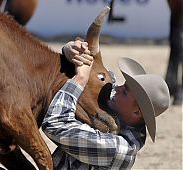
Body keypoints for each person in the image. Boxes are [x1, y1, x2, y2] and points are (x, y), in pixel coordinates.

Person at [42, 40, 170, 169]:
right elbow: (104, 77)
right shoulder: (122, 112)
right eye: (123, 85)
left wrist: (80, 80)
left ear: (136, 112)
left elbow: (55, 124)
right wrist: (72, 53)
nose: (117, 89)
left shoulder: (118, 150)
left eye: (125, 91)